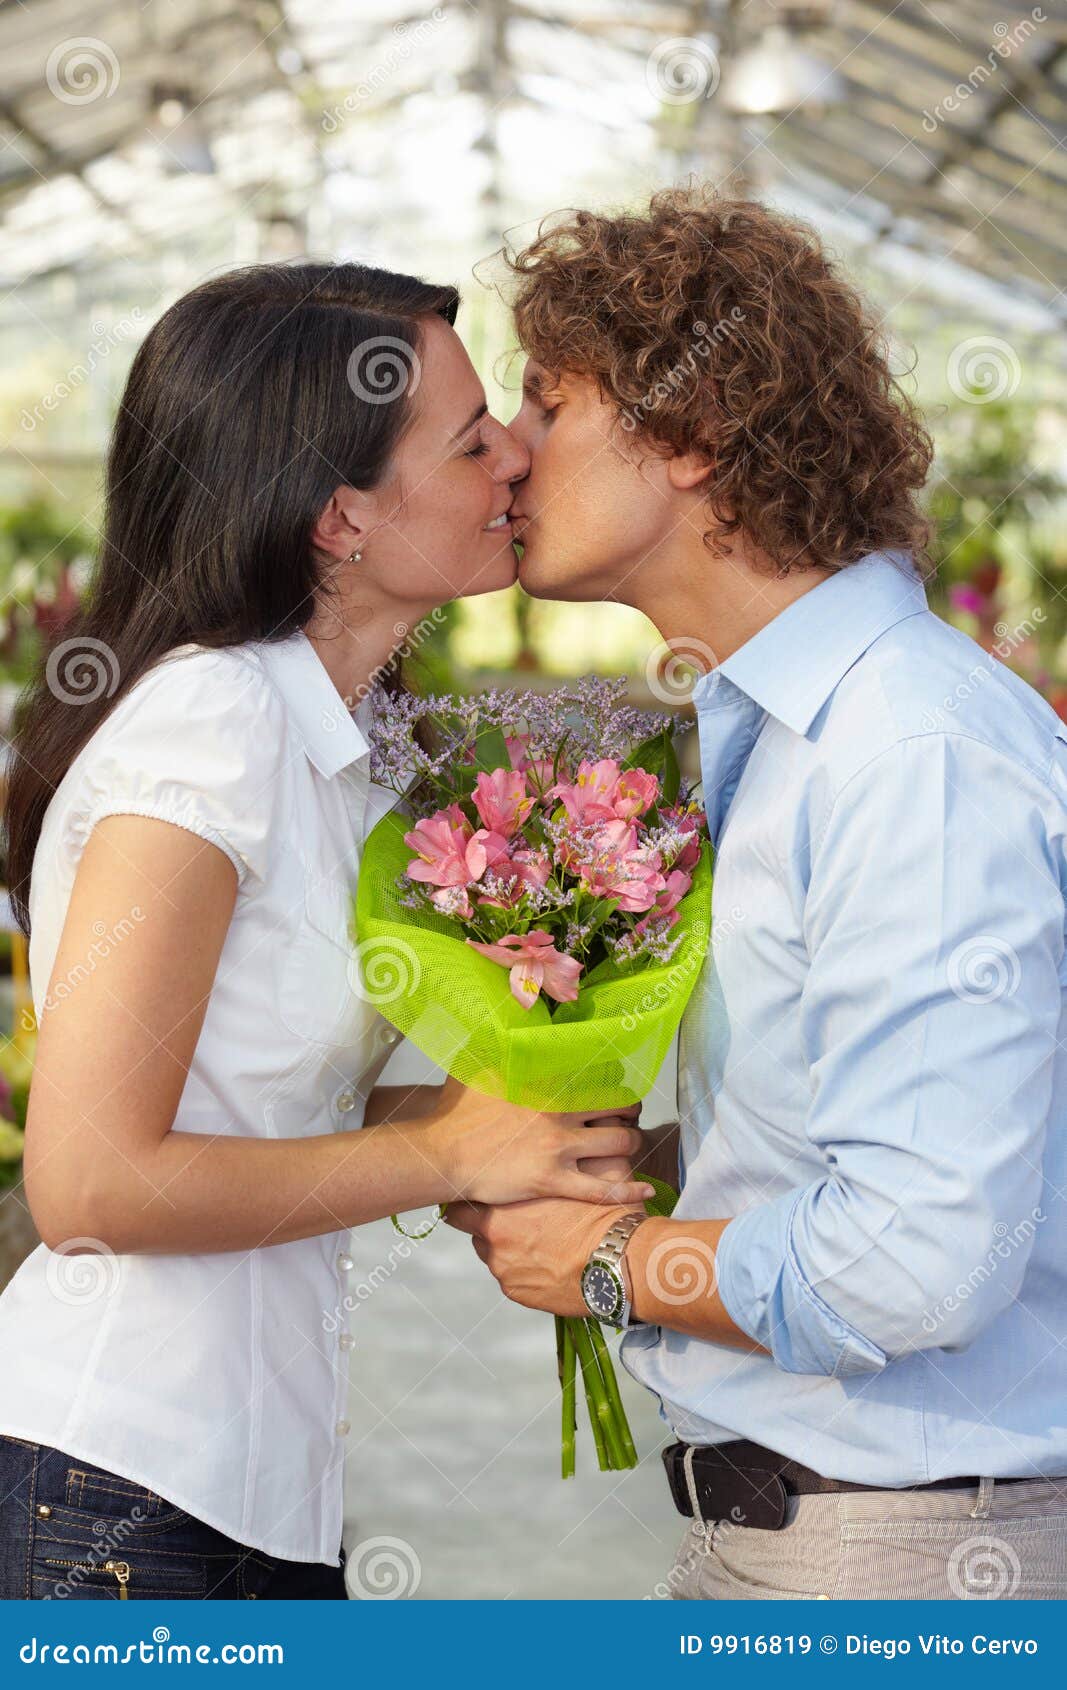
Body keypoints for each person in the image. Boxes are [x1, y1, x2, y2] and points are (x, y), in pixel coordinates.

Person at [449, 189, 1067, 1601]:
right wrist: (677, 1170)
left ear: (690, 429)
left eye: (549, 401)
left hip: (901, 1556)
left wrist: (612, 1261)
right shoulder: (781, 729)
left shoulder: (907, 749)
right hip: (822, 1535)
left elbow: (924, 1258)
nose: (511, 454)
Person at [0, 261, 651, 1601]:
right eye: (473, 441)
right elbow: (87, 1183)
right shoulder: (212, 728)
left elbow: (269, 1109)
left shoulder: (337, 743)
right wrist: (450, 1146)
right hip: (120, 1493)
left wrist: (532, 1115)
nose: (518, 458)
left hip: (249, 1484)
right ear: (341, 514)